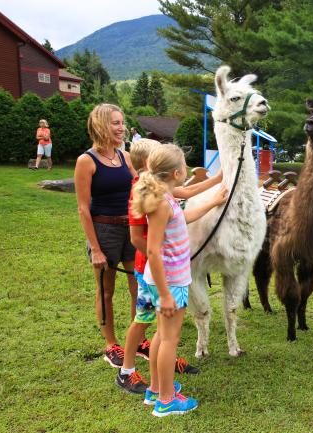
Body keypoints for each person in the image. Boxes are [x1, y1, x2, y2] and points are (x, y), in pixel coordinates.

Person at [116, 138, 226, 394]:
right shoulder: (162, 203)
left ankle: (156, 390)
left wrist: (211, 202)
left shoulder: (164, 197)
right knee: (169, 340)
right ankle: (166, 400)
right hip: (169, 282)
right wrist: (165, 294)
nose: (187, 169)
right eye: (186, 166)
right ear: (177, 173)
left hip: (168, 280)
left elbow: (182, 217)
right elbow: (152, 249)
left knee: (161, 337)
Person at [75, 103, 138, 369]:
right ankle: (111, 344)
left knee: (139, 286)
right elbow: (82, 208)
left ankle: (138, 340)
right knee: (106, 290)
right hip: (105, 230)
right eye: (115, 123)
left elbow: (140, 186)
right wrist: (96, 248)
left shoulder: (125, 156)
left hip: (131, 230)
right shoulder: (86, 161)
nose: (121, 127)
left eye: (122, 122)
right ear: (101, 125)